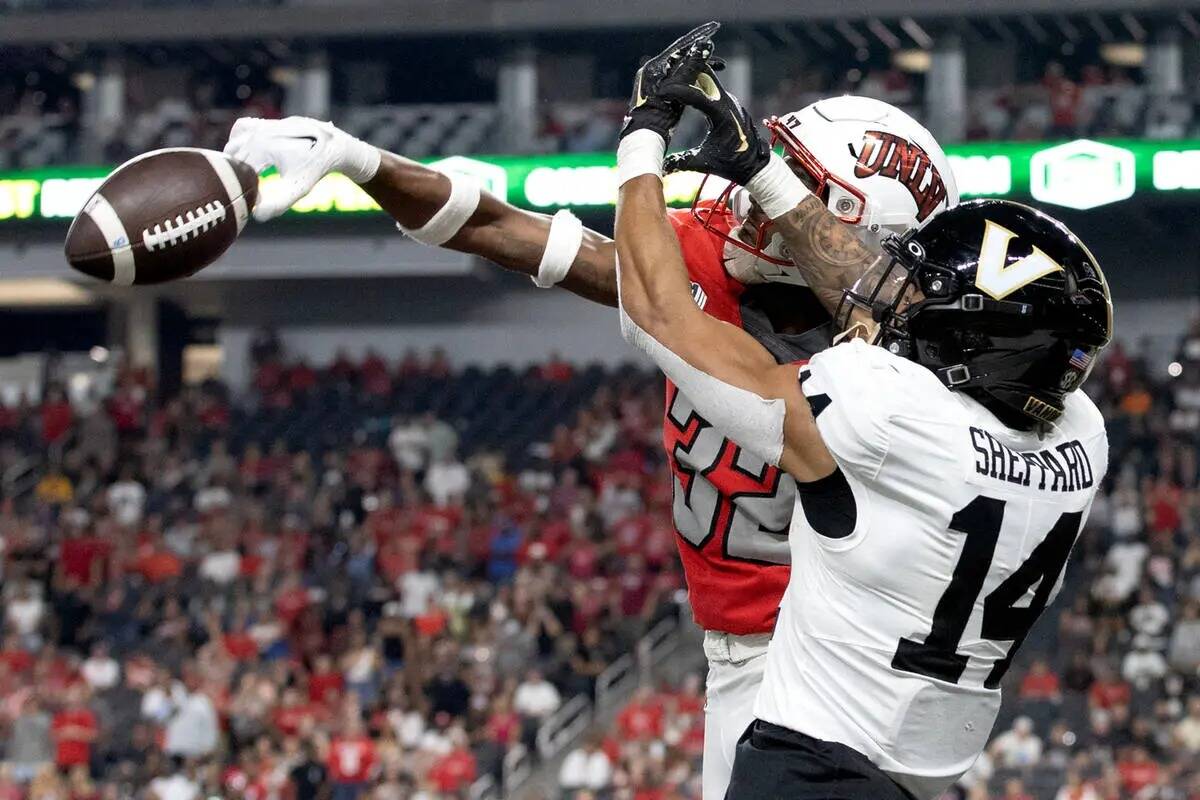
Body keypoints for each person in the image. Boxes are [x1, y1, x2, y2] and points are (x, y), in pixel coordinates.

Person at [224, 23, 959, 799]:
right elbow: (500, 228)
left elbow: (903, 312)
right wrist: (357, 157)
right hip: (741, 653)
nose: (741, 202)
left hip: (846, 655)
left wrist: (651, 149)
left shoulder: (912, 364)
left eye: (779, 191)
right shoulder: (713, 258)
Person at [612, 25, 1109, 800]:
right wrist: (764, 172)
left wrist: (642, 136)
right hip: (918, 765)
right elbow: (923, 316)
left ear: (971, 335)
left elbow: (660, 313)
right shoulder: (1081, 436)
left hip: (811, 759)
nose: (894, 290)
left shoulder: (881, 410)